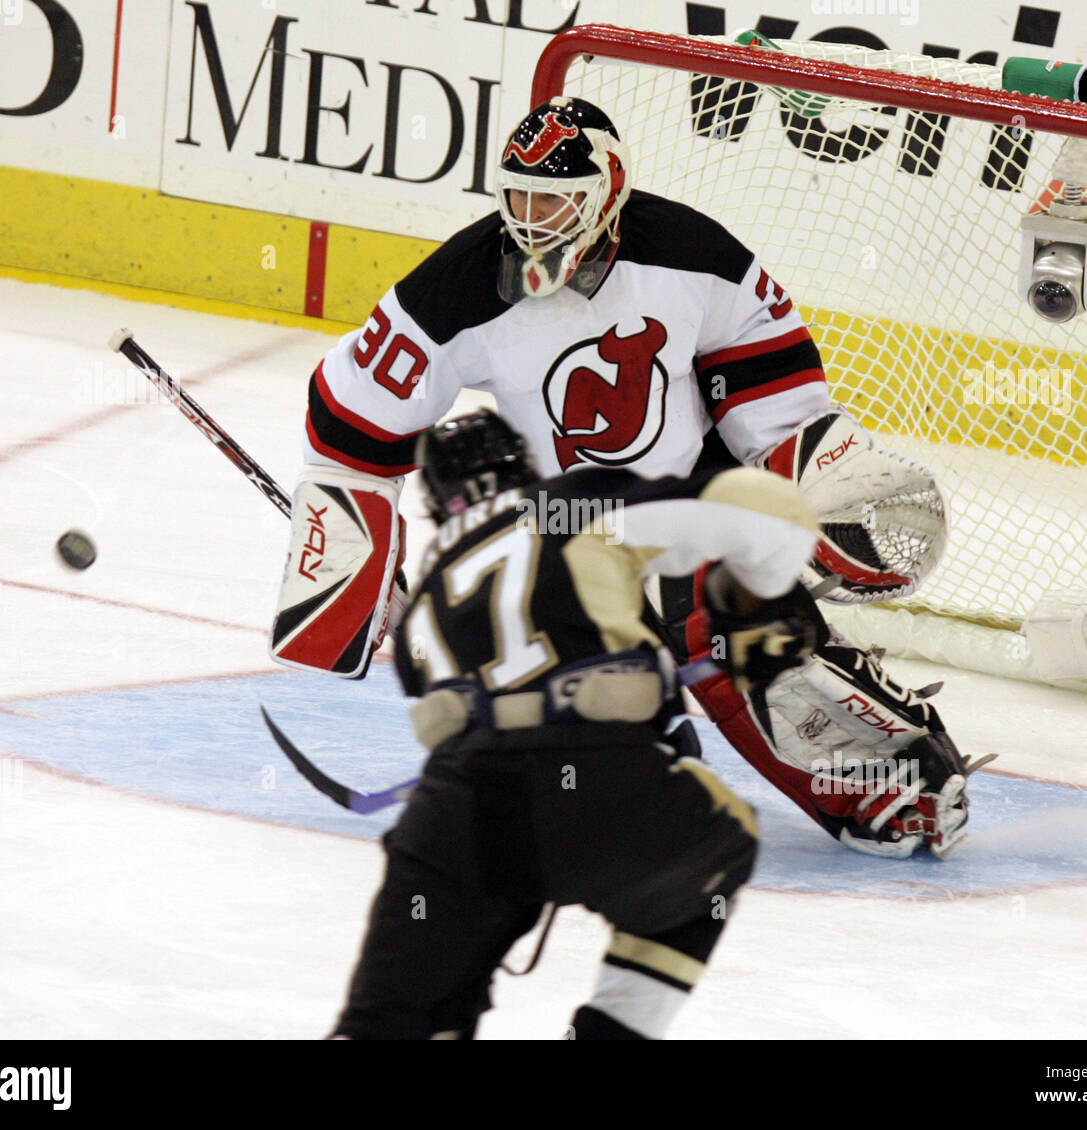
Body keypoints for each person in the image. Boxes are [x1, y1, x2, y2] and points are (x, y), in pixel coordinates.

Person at [271, 95, 972, 859]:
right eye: (518, 196)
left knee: (725, 616)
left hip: (681, 506)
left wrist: (823, 486)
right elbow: (350, 423)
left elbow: (774, 398)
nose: (532, 219)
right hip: (560, 529)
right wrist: (360, 566)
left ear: (607, 187)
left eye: (554, 199)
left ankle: (872, 773)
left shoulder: (692, 253)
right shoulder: (458, 288)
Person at [331, 409, 826, 1039]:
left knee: (395, 1022)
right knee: (717, 847)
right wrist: (750, 600)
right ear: (524, 468)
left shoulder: (426, 593)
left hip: (452, 817)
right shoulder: (570, 502)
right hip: (597, 773)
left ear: (437, 504)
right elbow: (771, 507)